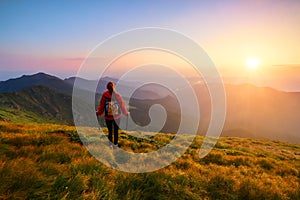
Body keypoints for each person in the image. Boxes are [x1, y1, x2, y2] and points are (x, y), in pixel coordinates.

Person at [96, 82, 128, 148]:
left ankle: (110, 145)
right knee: (116, 131)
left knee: (110, 131)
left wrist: (98, 113)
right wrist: (125, 113)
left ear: (107, 87)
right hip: (117, 117)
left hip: (108, 117)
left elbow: (102, 106)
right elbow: (122, 105)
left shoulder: (104, 95)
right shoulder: (117, 95)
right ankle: (115, 145)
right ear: (114, 87)